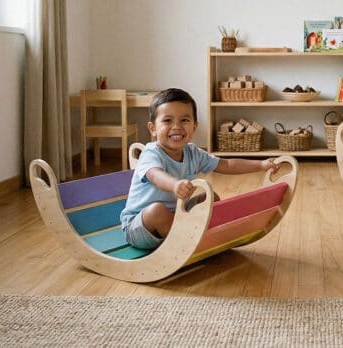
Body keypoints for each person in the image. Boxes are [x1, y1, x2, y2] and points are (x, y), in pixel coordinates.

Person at [119, 87, 280, 250]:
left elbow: (226, 164)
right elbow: (155, 175)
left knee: (210, 197)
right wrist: (175, 185)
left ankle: (198, 236)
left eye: (184, 120)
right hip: (140, 226)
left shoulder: (193, 152)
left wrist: (260, 165)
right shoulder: (151, 153)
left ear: (194, 127)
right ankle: (186, 244)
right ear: (153, 128)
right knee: (157, 211)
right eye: (167, 120)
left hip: (177, 215)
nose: (176, 126)